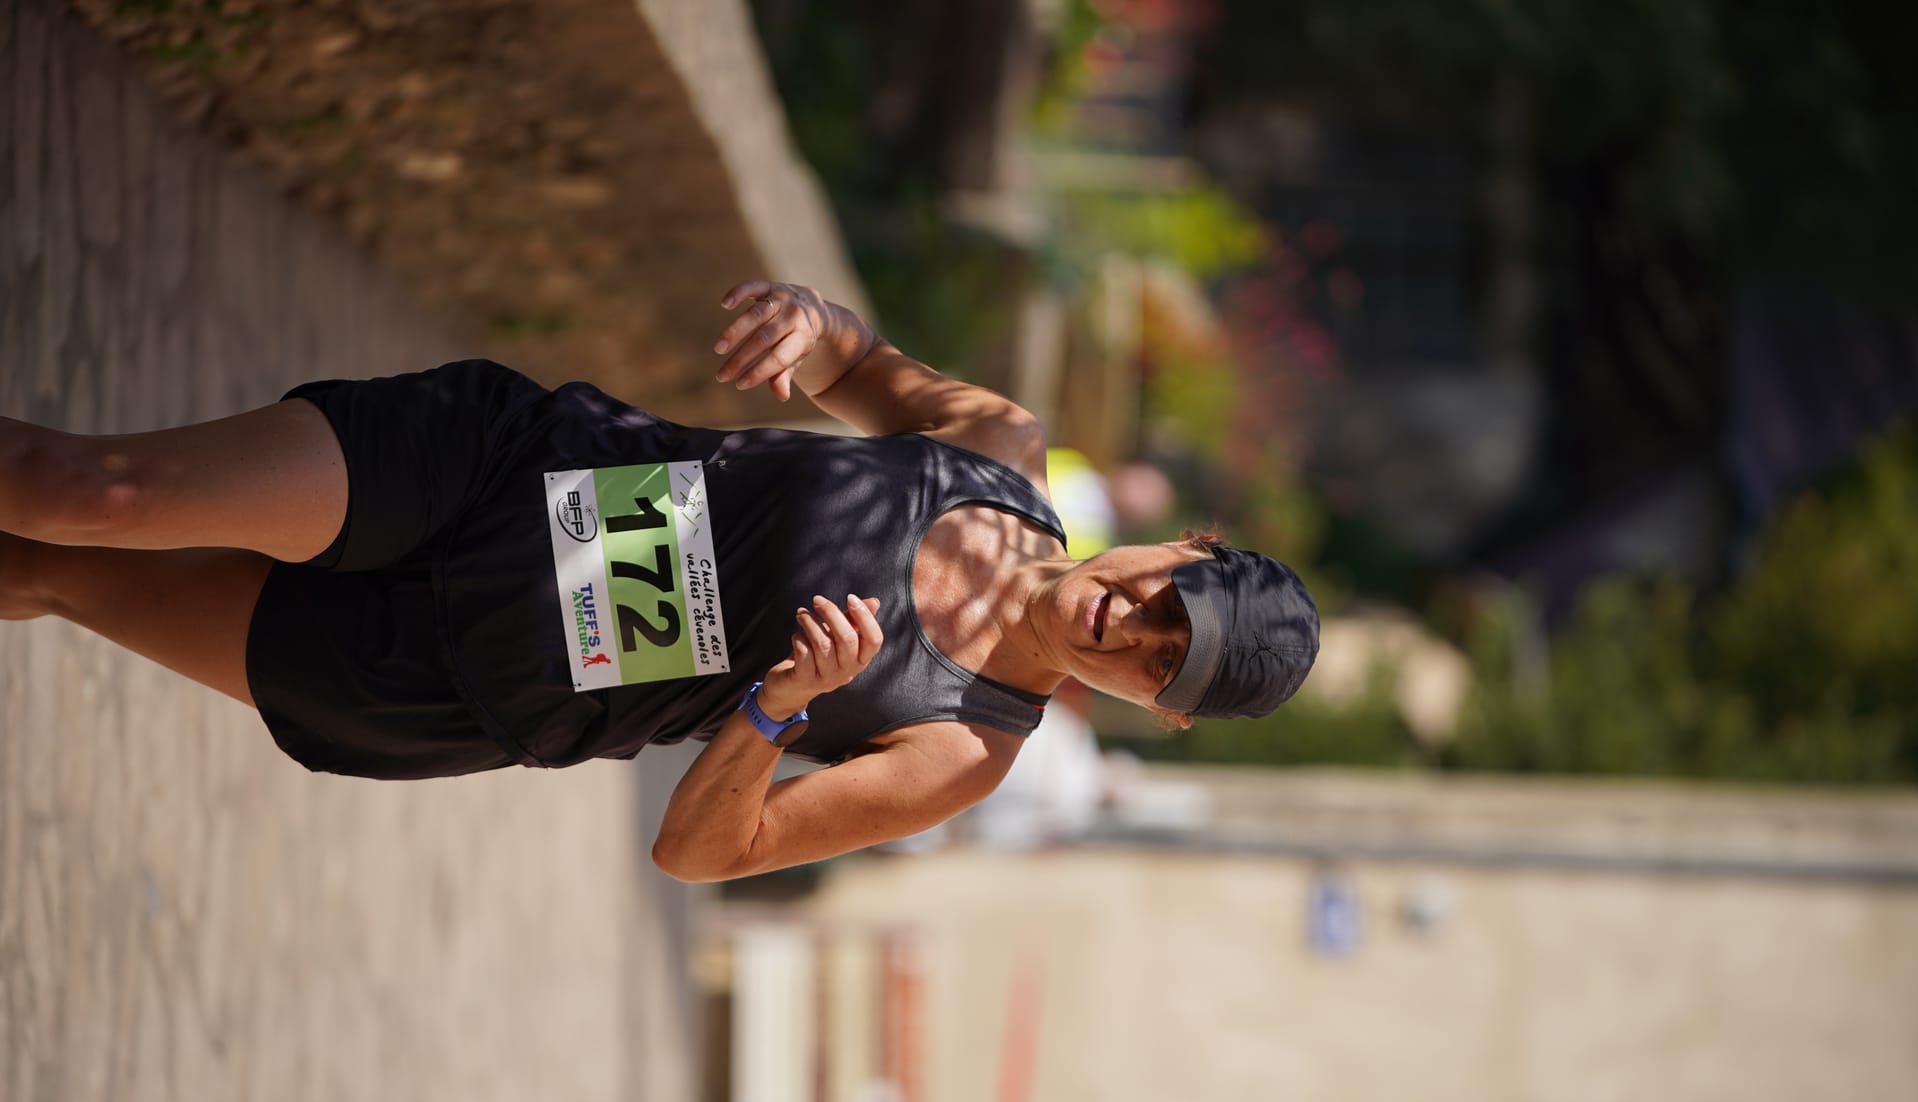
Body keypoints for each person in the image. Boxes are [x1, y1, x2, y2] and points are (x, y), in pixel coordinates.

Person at [0, 281, 1318, 880]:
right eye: (1168, 600)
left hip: (456, 677)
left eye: (1158, 662)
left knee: (52, 573)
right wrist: (813, 326)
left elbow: (701, 852)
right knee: (93, 493)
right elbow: (854, 364)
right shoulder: (998, 449)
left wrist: (774, 712)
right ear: (1183, 548)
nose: (1128, 625)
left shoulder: (963, 749)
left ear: (1157, 712)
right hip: (496, 474)